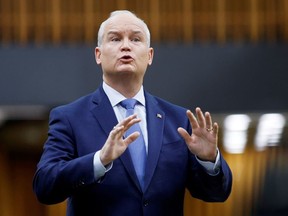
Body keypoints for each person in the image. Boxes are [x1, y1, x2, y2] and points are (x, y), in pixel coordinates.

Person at [33, 10, 232, 216]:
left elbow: (216, 194)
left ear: (150, 56)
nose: (126, 45)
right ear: (98, 55)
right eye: (115, 39)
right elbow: (45, 186)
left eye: (136, 39)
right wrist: (99, 161)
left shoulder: (180, 120)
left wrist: (209, 161)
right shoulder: (70, 117)